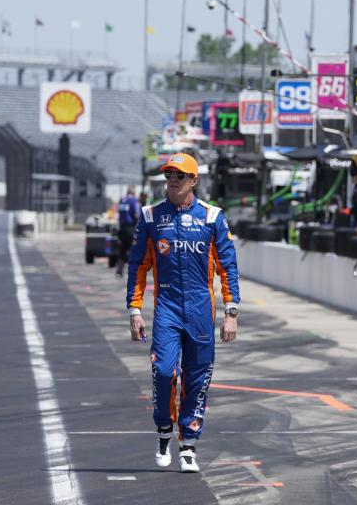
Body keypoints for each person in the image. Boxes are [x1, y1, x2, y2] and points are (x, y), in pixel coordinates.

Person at [126, 152, 240, 473]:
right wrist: (135, 309)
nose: (172, 181)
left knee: (197, 377)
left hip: (202, 310)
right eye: (168, 176)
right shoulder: (150, 217)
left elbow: (227, 266)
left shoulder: (212, 217)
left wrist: (231, 311)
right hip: (168, 308)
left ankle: (188, 444)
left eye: (179, 176)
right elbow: (138, 265)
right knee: (164, 371)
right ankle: (164, 430)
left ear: (194, 181)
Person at [115, 187, 141, 277]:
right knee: (133, 249)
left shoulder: (122, 200)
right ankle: (133, 272)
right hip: (131, 228)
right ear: (133, 193)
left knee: (122, 249)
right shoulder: (134, 201)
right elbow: (137, 214)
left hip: (122, 228)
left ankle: (119, 270)